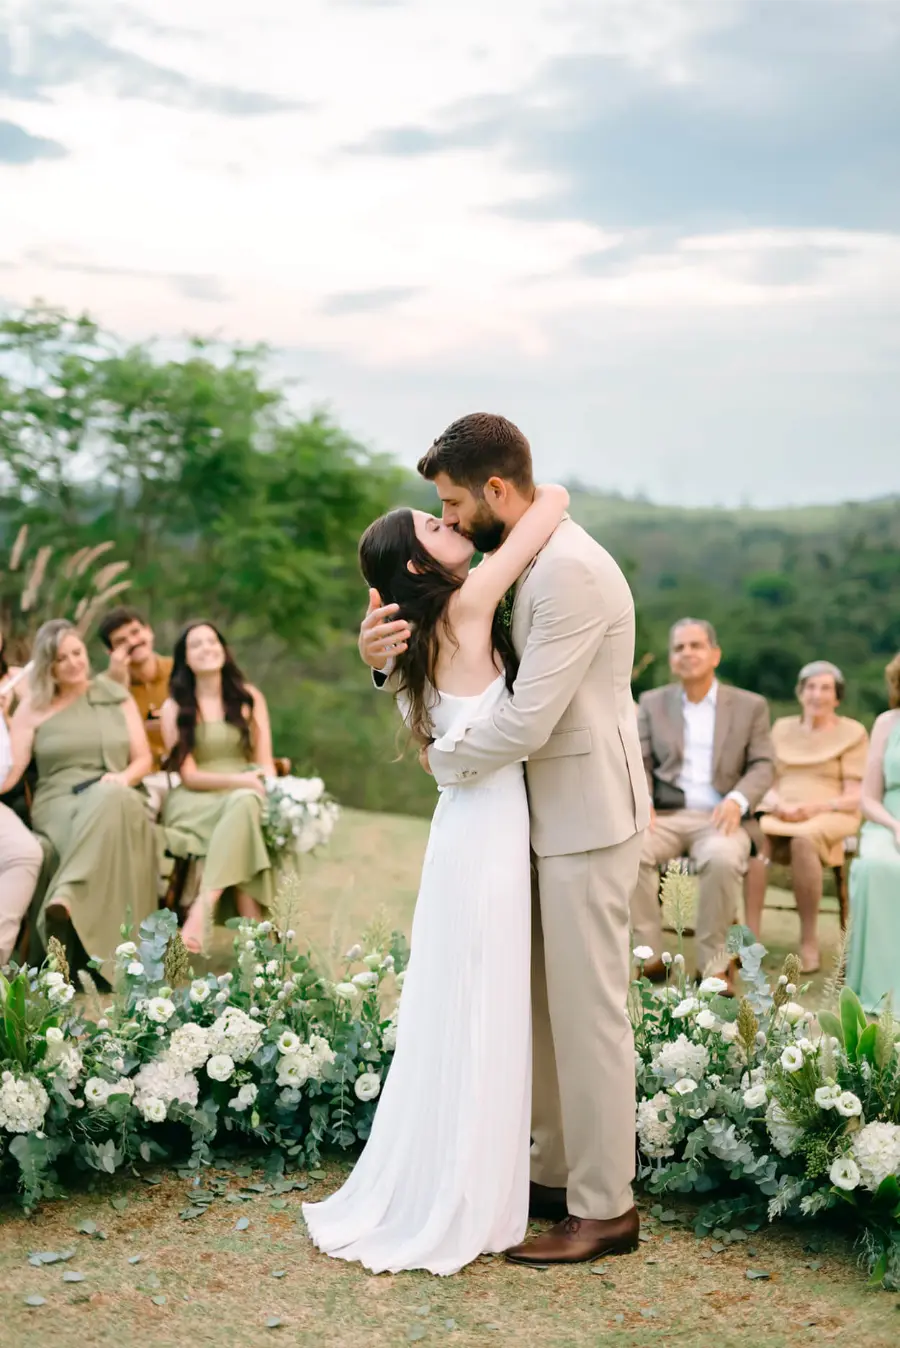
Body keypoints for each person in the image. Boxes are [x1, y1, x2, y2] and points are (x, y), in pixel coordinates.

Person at [341, 413, 650, 1270]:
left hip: (583, 816)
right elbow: (448, 642)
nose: (449, 516)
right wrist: (379, 656)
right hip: (528, 817)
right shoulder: (517, 559)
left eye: (450, 502)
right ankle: (553, 1174)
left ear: (496, 493)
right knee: (540, 1009)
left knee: (588, 1018)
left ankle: (603, 1208)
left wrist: (446, 761)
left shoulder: (571, 574)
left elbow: (523, 718)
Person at [304, 472, 568, 1275]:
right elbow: (550, 503)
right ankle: (469, 1196)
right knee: (482, 1003)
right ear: (421, 567)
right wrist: (507, 490)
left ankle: (470, 1180)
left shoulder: (417, 640)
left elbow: (424, 743)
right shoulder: (465, 605)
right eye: (437, 522)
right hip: (481, 834)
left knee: (465, 1003)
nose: (454, 524)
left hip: (464, 831)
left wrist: (373, 652)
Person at [0, 619, 158, 979]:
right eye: (61, 658)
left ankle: (66, 896)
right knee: (109, 799)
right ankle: (65, 913)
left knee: (113, 797)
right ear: (47, 666)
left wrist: (122, 778)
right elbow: (10, 773)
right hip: (58, 801)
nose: (73, 663)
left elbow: (143, 759)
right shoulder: (33, 708)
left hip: (117, 790)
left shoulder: (115, 694)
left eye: (77, 653)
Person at [634, 620, 774, 985]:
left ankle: (713, 968)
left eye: (696, 646)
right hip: (663, 815)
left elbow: (763, 764)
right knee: (628, 849)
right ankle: (649, 958)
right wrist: (642, 799)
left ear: (715, 654)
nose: (687, 653)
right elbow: (640, 761)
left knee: (723, 857)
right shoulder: (652, 703)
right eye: (679, 648)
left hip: (721, 817)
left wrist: (738, 799)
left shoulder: (750, 706)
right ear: (671, 657)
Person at [160, 621, 276, 954]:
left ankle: (201, 911)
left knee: (244, 807)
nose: (207, 648)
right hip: (195, 800)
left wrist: (258, 783)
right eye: (196, 644)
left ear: (224, 649)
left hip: (244, 796)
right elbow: (190, 777)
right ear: (185, 658)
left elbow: (265, 763)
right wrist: (243, 782)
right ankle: (257, 940)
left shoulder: (249, 698)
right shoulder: (174, 708)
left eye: (212, 641)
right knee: (244, 807)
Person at [745, 660, 867, 974]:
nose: (817, 695)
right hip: (782, 808)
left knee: (803, 840)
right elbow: (766, 779)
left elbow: (856, 793)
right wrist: (777, 802)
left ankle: (809, 942)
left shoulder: (852, 732)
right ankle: (751, 941)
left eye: (825, 688)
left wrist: (815, 808)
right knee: (757, 838)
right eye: (811, 687)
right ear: (800, 693)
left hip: (829, 811)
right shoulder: (782, 728)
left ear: (837, 697)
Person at [845, 654, 900, 1013]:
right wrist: (895, 826)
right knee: (878, 867)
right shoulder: (887, 722)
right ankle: (881, 992)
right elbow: (868, 797)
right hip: (888, 819)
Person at [99, 607, 174, 817]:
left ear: (149, 631)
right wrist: (118, 684)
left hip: (184, 773)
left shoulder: (179, 672)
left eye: (135, 632)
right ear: (110, 653)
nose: (132, 642)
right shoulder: (104, 689)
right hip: (140, 781)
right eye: (121, 641)